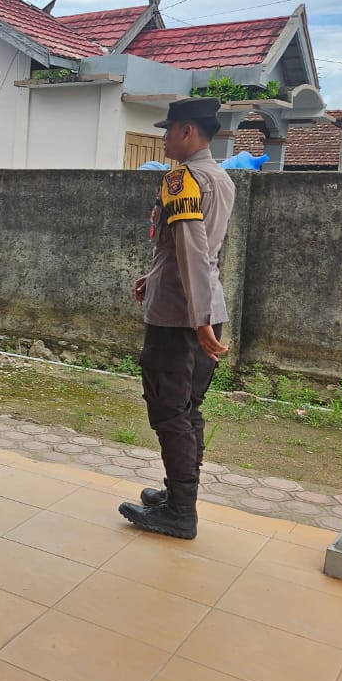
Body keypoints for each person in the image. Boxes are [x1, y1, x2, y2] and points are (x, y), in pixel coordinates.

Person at [119, 96, 234, 540]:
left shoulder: (182, 178)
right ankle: (177, 498)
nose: (163, 138)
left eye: (168, 130)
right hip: (203, 307)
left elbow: (191, 248)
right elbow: (192, 248)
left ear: (187, 131)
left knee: (170, 411)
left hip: (180, 317)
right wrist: (153, 274)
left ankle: (179, 514)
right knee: (189, 408)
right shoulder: (220, 178)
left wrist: (197, 318)